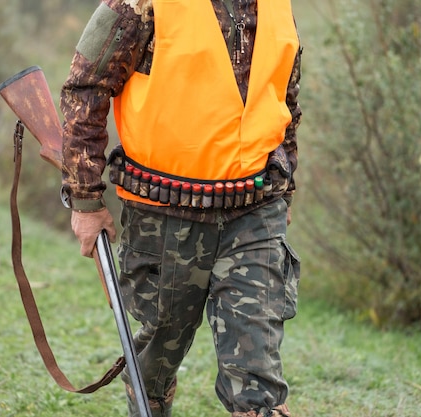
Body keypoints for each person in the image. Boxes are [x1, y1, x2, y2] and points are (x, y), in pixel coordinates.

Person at [59, 1, 302, 416]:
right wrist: (85, 199)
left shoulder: (279, 5)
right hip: (163, 216)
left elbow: (285, 100)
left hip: (256, 211)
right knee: (156, 356)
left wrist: (286, 186)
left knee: (258, 376)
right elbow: (86, 86)